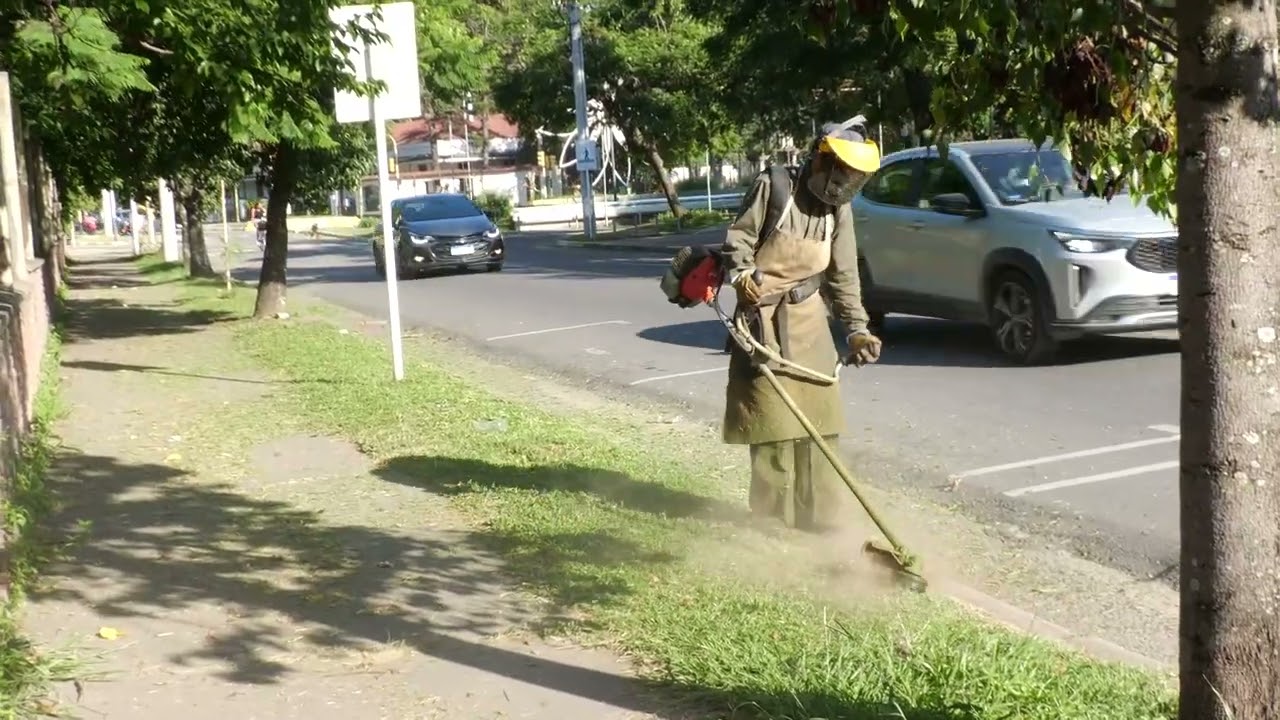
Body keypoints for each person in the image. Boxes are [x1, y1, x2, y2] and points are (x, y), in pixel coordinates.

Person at [719, 118, 884, 533]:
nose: (845, 185)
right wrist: (740, 275)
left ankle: (820, 524)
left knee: (821, 428)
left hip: (810, 322)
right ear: (821, 160)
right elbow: (738, 239)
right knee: (772, 428)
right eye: (842, 173)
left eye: (855, 178)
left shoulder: (838, 210)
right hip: (761, 323)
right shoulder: (774, 188)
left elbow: (843, 276)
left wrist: (857, 328)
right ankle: (771, 524)